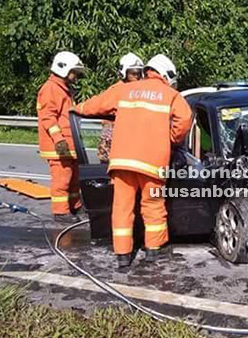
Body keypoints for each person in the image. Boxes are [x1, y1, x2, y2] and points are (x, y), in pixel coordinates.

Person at [73, 54, 192, 269]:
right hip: (153, 163)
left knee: (122, 208)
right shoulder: (171, 95)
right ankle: (154, 251)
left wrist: (75, 109)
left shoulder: (124, 89)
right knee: (153, 205)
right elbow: (184, 121)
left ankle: (122, 255)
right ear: (167, 74)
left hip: (122, 162)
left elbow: (95, 105)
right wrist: (172, 139)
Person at [37, 51, 85, 222]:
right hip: (59, 145)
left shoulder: (63, 89)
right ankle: (61, 211)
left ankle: (75, 206)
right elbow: (48, 118)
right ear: (64, 69)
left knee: (73, 178)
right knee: (62, 179)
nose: (76, 76)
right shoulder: (50, 89)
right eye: (74, 72)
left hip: (68, 144)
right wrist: (59, 140)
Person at [95, 53, 145, 163]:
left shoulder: (142, 92)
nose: (137, 76)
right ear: (124, 73)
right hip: (112, 142)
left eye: (139, 73)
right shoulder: (116, 90)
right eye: (134, 73)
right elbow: (96, 106)